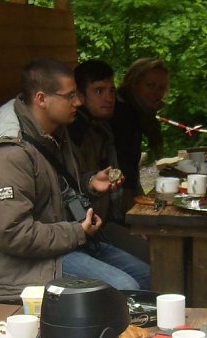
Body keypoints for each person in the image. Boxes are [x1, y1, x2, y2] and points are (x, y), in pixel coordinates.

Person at [0, 58, 150, 301]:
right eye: (70, 96)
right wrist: (77, 231)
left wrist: (90, 183)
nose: (78, 102)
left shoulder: (54, 132)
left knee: (145, 277)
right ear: (41, 99)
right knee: (122, 287)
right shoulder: (8, 154)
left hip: (66, 245)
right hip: (30, 265)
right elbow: (13, 234)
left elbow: (57, 194)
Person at [69, 59, 149, 263]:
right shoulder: (73, 134)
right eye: (98, 91)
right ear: (79, 95)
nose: (108, 98)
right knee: (152, 257)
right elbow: (75, 191)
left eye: (111, 91)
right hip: (85, 231)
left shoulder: (102, 127)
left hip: (108, 223)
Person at [111, 58, 169, 208]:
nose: (156, 93)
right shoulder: (121, 113)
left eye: (161, 87)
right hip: (112, 193)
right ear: (134, 84)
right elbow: (123, 162)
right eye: (150, 85)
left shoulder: (140, 112)